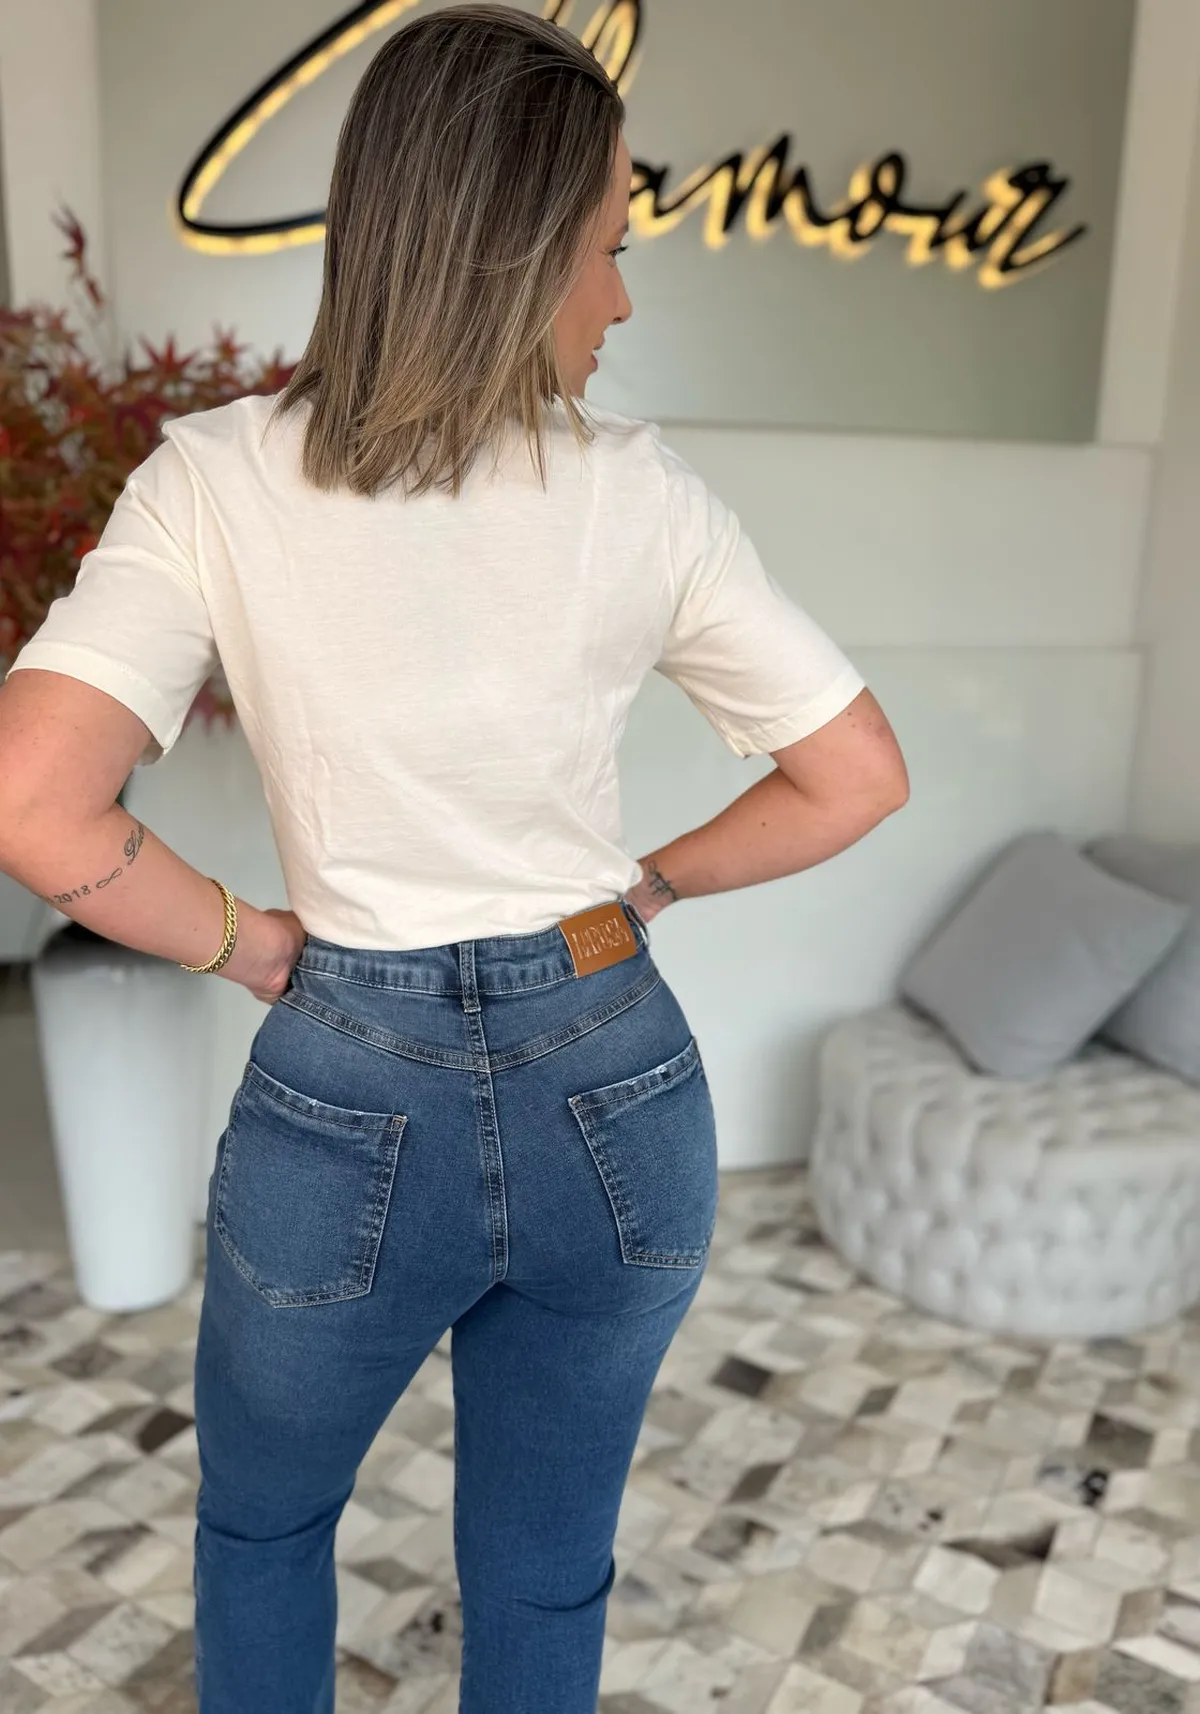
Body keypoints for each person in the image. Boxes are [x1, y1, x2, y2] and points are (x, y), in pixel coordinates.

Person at [0, 6, 908, 1710]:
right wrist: (649, 890)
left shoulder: (212, 479)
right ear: (518, 250)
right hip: (616, 1080)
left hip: (346, 1087)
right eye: (611, 250)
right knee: (546, 1566)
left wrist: (248, 943)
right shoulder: (643, 494)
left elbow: (34, 805)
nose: (622, 302)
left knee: (265, 1527)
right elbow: (857, 775)